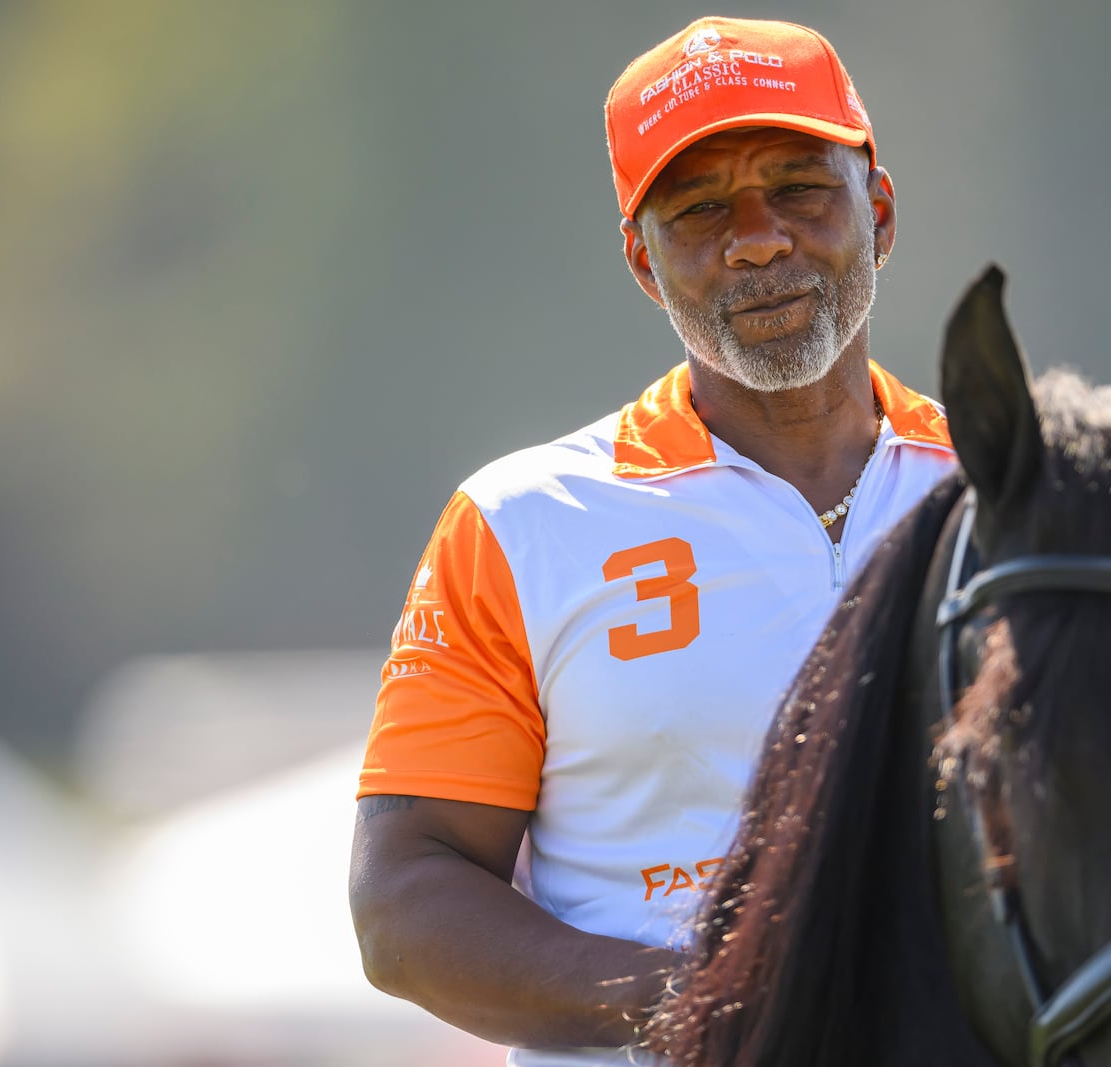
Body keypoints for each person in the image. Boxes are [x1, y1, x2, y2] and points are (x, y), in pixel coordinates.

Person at [348, 17, 956, 1066]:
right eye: (700, 207)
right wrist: (719, 1000)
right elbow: (406, 901)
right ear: (643, 260)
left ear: (881, 212)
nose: (758, 238)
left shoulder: (1007, 492)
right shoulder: (520, 523)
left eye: (800, 186)